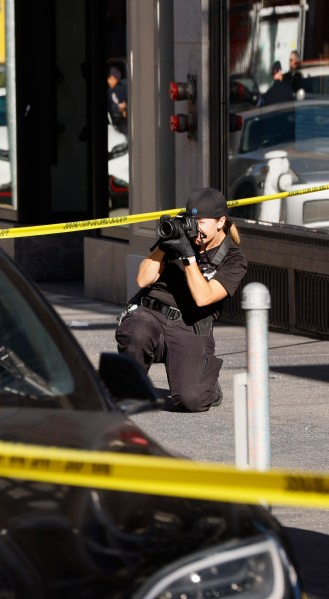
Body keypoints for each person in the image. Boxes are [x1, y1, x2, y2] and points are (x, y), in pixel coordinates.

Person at [115, 187, 247, 412]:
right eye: (191, 221)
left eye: (201, 222)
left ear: (220, 221)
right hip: (152, 315)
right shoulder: (181, 236)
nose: (195, 228)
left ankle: (206, 379)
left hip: (190, 325)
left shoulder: (234, 259)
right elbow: (143, 280)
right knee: (134, 332)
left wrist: (188, 257)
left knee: (192, 400)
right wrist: (164, 245)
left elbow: (203, 298)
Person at [107, 65, 128, 134]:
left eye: (112, 78)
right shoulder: (109, 91)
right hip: (117, 120)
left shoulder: (121, 87)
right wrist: (118, 107)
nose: (109, 80)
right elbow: (110, 107)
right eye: (109, 77)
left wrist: (124, 107)